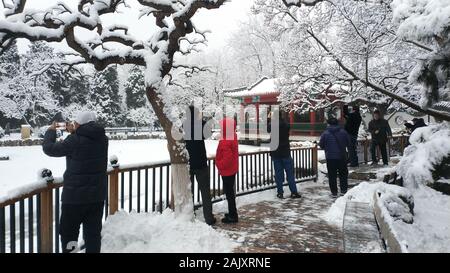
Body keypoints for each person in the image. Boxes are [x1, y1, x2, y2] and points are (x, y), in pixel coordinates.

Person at [42, 111, 108, 253]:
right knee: (93, 235)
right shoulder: (103, 139)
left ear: (78, 124)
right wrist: (75, 132)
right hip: (96, 197)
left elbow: (49, 149)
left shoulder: (74, 141)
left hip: (74, 198)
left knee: (69, 234)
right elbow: (85, 143)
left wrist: (50, 131)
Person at [184, 106, 216, 226]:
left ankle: (189, 215)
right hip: (201, 163)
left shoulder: (184, 125)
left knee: (189, 191)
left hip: (189, 163)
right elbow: (208, 134)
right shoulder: (201, 124)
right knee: (205, 191)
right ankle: (209, 217)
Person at [269, 111, 301, 199]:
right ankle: (294, 192)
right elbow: (287, 127)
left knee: (278, 174)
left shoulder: (272, 125)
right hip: (286, 152)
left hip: (276, 153)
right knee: (290, 173)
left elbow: (268, 129)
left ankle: (280, 192)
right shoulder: (285, 124)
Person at [215, 117, 239, 224]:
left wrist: (219, 164)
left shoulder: (225, 141)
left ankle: (233, 216)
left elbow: (227, 158)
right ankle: (232, 213)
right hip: (232, 169)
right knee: (230, 194)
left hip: (227, 171)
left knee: (229, 194)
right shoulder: (233, 137)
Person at [319, 117, 350, 198]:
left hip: (330, 157)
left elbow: (321, 145)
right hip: (341, 156)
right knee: (343, 174)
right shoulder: (343, 132)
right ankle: (343, 190)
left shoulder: (325, 134)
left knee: (332, 175)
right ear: (337, 123)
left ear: (329, 124)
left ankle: (334, 192)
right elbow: (348, 143)